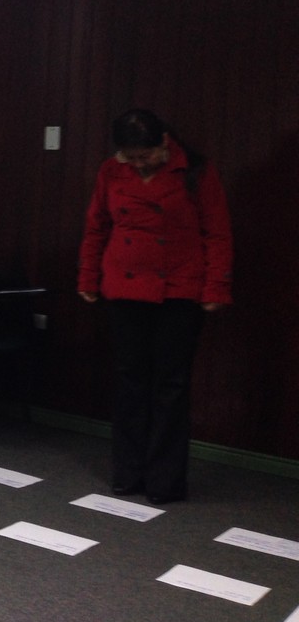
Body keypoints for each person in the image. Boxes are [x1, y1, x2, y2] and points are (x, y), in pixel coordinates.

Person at [77, 108, 232, 505]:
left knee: (171, 387)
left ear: (164, 141)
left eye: (145, 156)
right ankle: (128, 473)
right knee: (130, 383)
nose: (139, 164)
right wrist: (88, 278)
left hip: (178, 289)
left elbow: (217, 232)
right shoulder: (111, 171)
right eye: (131, 157)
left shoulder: (196, 171)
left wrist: (216, 286)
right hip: (123, 287)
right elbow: (96, 226)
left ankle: (165, 481)